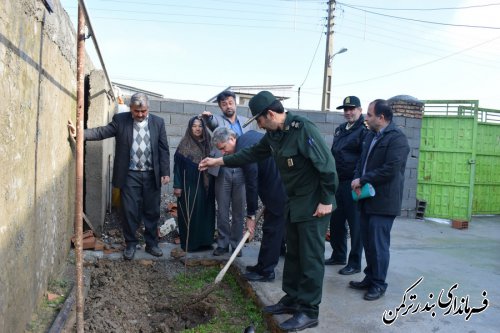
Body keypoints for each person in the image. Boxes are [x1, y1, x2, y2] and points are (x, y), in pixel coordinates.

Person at [199, 91, 338, 332]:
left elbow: (327, 165)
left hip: (314, 204)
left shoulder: (302, 129)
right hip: (293, 201)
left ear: (270, 114)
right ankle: (293, 299)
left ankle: (309, 310)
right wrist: (217, 162)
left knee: (310, 257)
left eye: (260, 120)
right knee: (294, 254)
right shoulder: (273, 135)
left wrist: (326, 199)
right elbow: (250, 154)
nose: (259, 126)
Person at [67, 93, 170, 260]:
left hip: (152, 174)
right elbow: (102, 132)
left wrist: (165, 172)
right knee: (129, 211)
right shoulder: (120, 120)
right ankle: (130, 244)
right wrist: (80, 133)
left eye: (143, 111)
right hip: (130, 175)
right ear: (131, 109)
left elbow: (163, 148)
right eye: (136, 111)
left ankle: (152, 244)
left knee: (152, 211)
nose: (140, 114)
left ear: (148, 109)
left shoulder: (158, 122)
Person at [349, 99, 410, 301]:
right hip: (367, 198)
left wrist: (363, 179)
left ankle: (378, 284)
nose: (366, 118)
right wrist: (357, 178)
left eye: (369, 114)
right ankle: (370, 277)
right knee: (368, 242)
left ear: (381, 118)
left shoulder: (397, 139)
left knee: (378, 245)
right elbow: (361, 162)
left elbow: (391, 169)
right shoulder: (371, 136)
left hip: (383, 202)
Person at [211, 127, 287, 282]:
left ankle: (266, 272)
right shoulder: (248, 137)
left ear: (232, 139)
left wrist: (251, 214)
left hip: (278, 189)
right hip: (275, 186)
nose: (223, 153)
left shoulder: (245, 150)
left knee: (272, 230)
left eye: (223, 148)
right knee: (269, 229)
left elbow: (251, 183)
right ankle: (261, 266)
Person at [201, 90, 250, 256]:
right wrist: (208, 118)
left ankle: (236, 245)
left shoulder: (246, 121)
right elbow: (213, 123)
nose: (228, 106)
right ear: (220, 107)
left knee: (239, 210)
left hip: (242, 170)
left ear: (235, 103)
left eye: (230, 102)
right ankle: (222, 244)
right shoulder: (218, 121)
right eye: (223, 104)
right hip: (222, 169)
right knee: (222, 209)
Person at [325, 96, 368, 276]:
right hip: (338, 182)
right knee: (336, 222)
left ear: (359, 110)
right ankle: (338, 254)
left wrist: (359, 181)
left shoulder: (363, 130)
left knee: (355, 224)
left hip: (353, 183)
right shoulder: (340, 129)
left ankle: (355, 262)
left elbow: (364, 159)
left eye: (352, 109)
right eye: (345, 109)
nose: (348, 112)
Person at [173, 116, 215, 252]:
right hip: (189, 185)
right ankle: (190, 244)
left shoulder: (209, 143)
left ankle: (205, 242)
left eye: (200, 126)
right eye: (194, 126)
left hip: (207, 185)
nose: (197, 129)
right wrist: (177, 185)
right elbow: (177, 168)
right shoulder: (184, 144)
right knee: (190, 212)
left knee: (206, 212)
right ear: (190, 128)